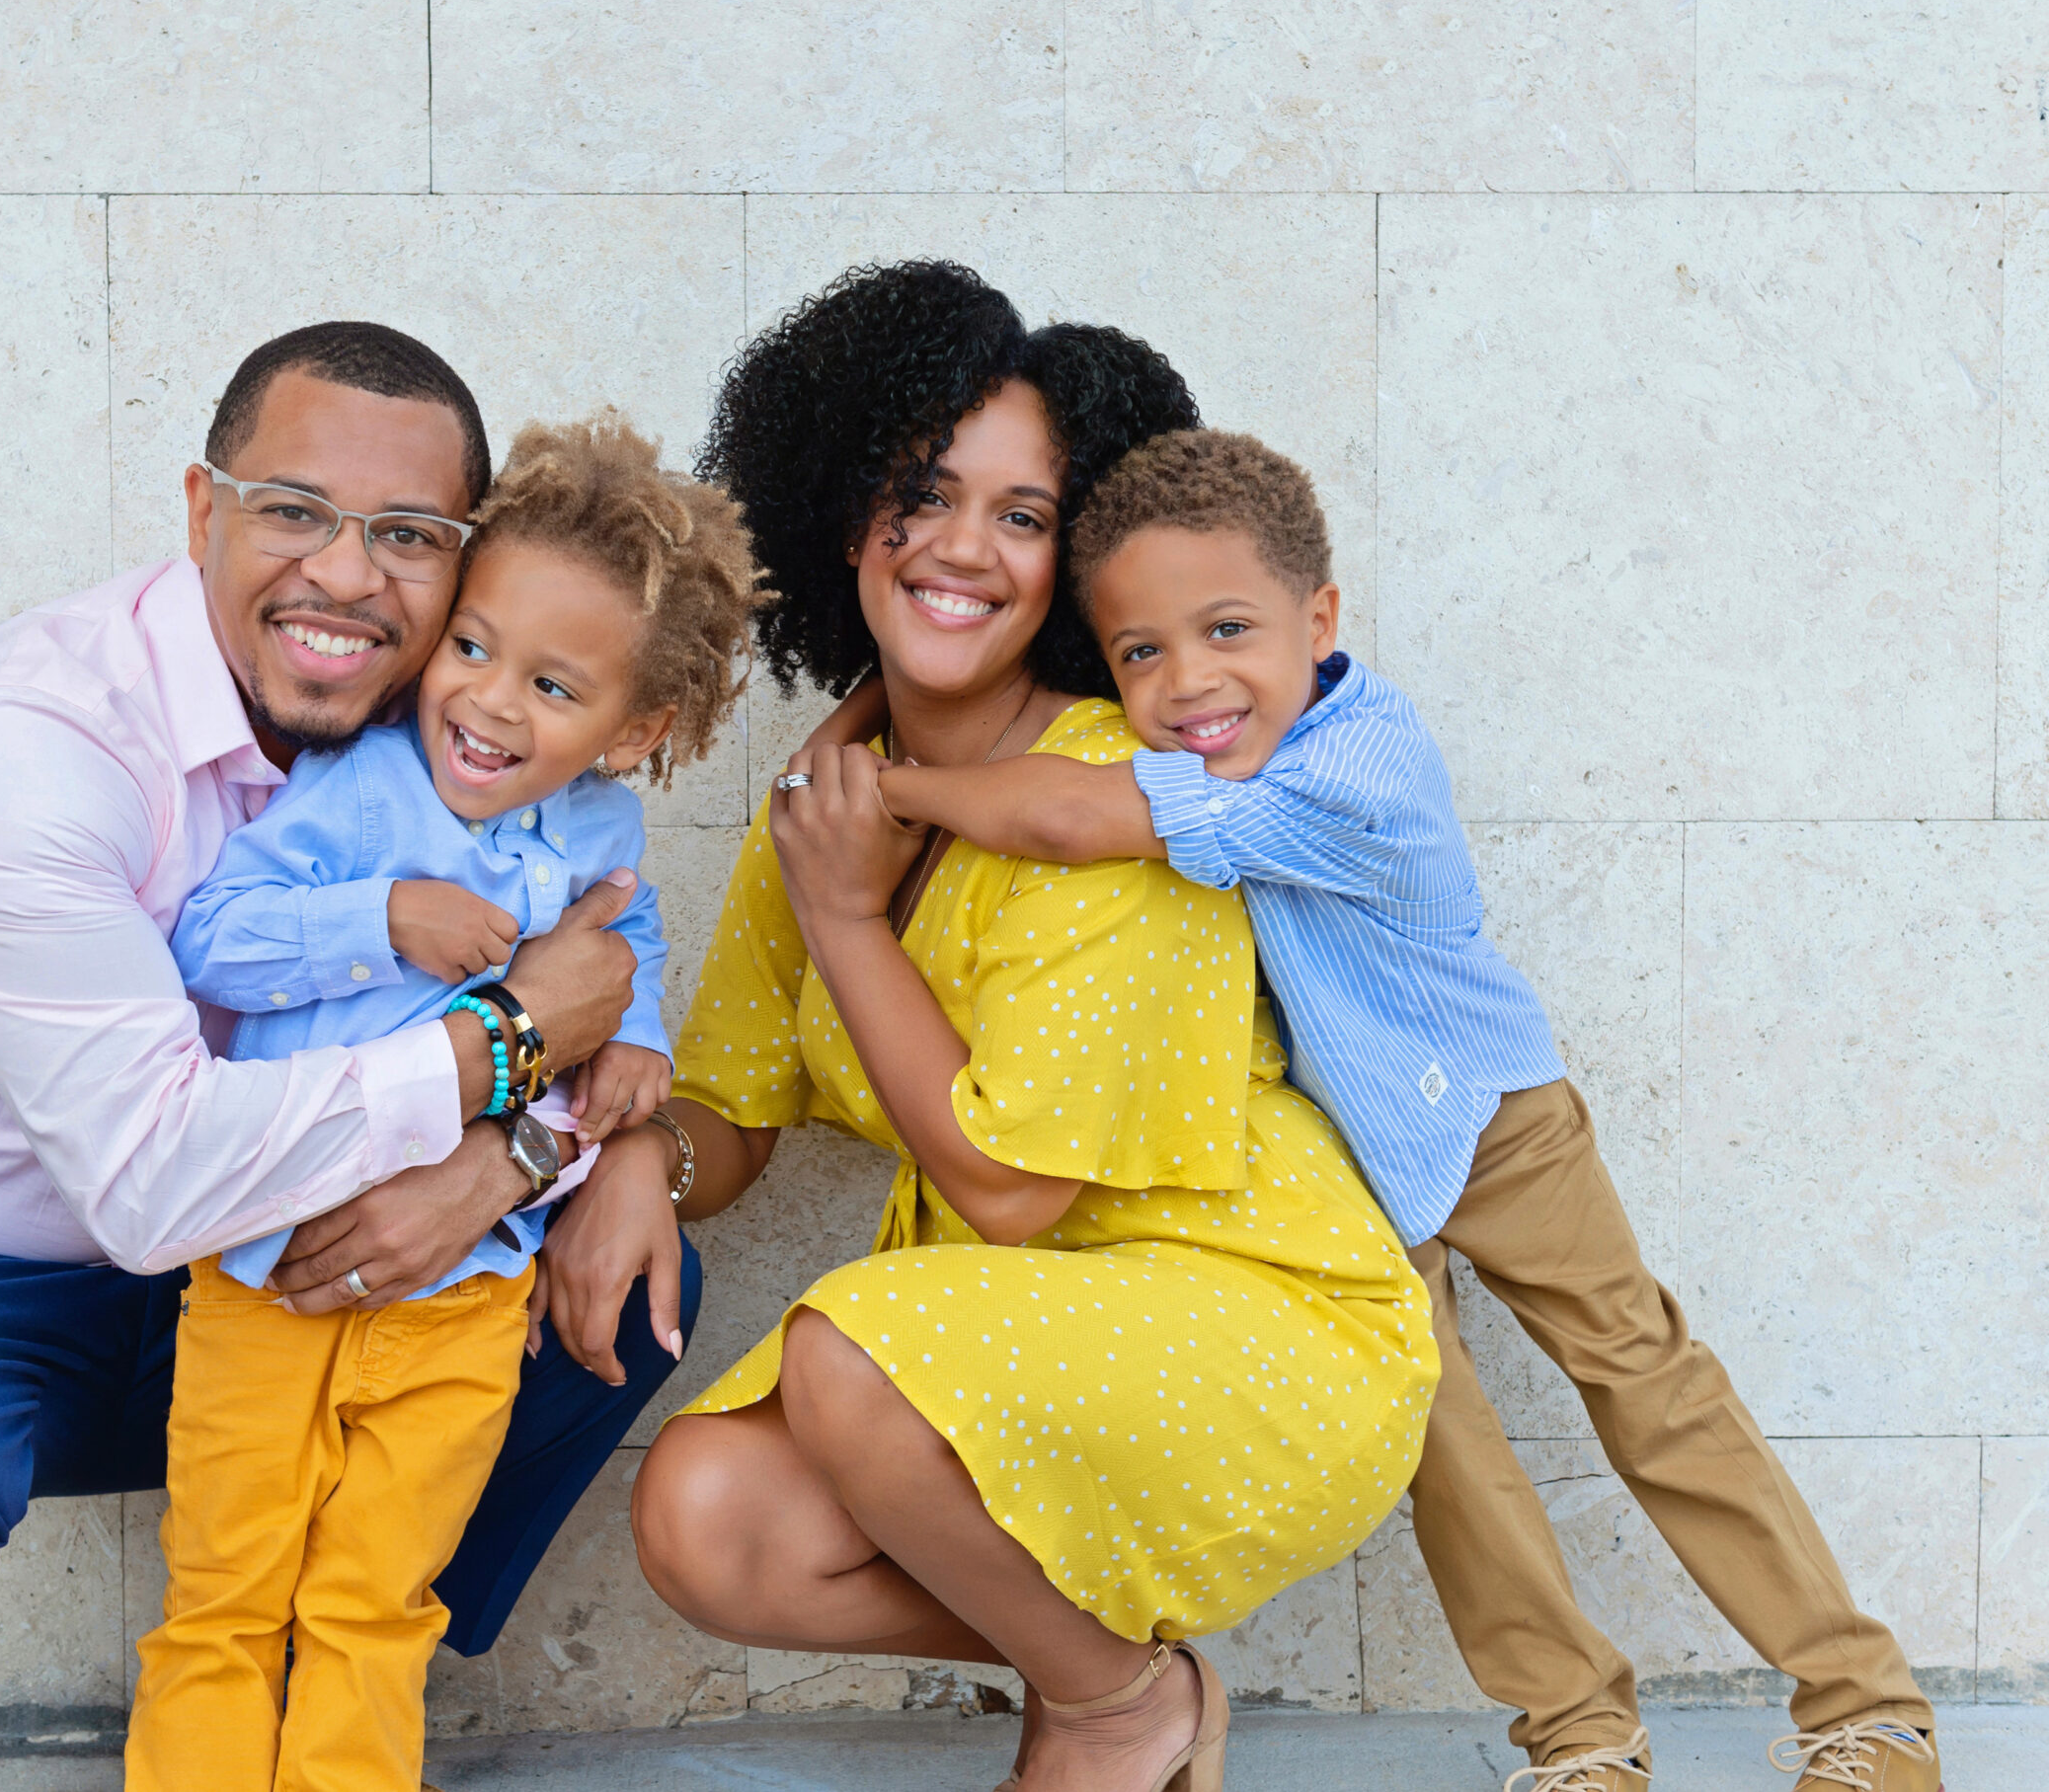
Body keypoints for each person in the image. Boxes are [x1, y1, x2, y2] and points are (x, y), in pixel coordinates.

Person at [0, 324, 699, 1792]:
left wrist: (574, 1152)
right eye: (293, 512)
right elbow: (155, 1172)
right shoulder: (28, 744)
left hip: (233, 1264)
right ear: (203, 510)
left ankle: (348, 1648)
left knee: (633, 1280)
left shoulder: (462, 745)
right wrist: (504, 1053)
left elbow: (615, 963)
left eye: (406, 536)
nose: (347, 575)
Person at [838, 429, 1943, 1792]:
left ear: (1322, 620)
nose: (1188, 682)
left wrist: (877, 788)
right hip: (1355, 1169)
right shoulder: (1221, 755)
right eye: (1139, 653)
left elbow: (1074, 816)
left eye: (1227, 628)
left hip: (1493, 1121)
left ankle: (1867, 1703)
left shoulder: (1349, 767)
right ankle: (1580, 1739)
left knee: (1646, 1378)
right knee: (1450, 1456)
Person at [539, 262, 1441, 1792]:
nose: (963, 547)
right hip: (990, 1351)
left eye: (1023, 517)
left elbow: (1014, 1197)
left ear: (1074, 566)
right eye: (921, 493)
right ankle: (1123, 1670)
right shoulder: (830, 796)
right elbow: (734, 1106)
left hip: (1262, 1315)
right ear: (842, 519)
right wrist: (642, 1164)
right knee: (703, 1510)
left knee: (847, 1353)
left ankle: (1111, 1710)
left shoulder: (1123, 808)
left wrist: (847, 916)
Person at [125, 414, 764, 1792]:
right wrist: (383, 920)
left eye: (553, 684)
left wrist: (637, 1043)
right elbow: (206, 941)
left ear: (638, 727)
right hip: (265, 1271)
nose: (486, 701)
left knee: (373, 1604)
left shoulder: (601, 833)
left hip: (464, 1298)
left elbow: (626, 949)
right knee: (229, 1597)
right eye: (470, 647)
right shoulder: (361, 791)